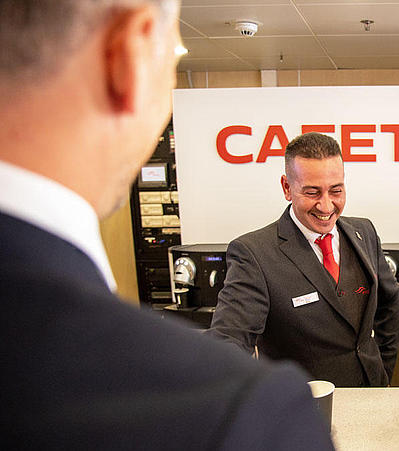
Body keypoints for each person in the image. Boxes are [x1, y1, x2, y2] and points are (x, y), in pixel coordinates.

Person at [0, 1, 333, 449]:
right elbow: (231, 335)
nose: (326, 203)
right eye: (174, 56)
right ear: (131, 54)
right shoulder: (240, 410)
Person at [207, 132, 399, 388]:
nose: (326, 206)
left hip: (371, 394)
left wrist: (383, 370)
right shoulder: (254, 253)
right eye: (312, 192)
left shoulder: (363, 232)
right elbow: (229, 338)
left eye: (336, 190)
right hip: (302, 407)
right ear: (287, 188)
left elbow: (389, 305)